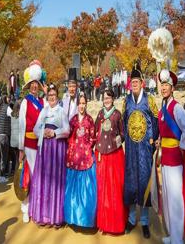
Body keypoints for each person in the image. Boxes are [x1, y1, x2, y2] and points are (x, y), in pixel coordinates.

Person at [157, 69, 185, 244]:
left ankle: (178, 239)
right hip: (165, 158)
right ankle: (172, 235)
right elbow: (164, 133)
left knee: (175, 199)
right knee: (167, 197)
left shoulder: (177, 108)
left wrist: (181, 147)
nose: (164, 87)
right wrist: (160, 142)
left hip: (174, 159)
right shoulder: (163, 107)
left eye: (166, 85)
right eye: (162, 85)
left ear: (172, 88)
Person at [123, 61, 159, 239]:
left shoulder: (149, 100)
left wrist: (153, 141)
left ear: (142, 83)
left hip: (145, 148)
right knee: (130, 182)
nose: (134, 85)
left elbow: (156, 121)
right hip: (130, 148)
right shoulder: (126, 100)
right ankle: (131, 219)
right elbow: (123, 122)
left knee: (144, 183)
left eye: (137, 82)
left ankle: (144, 221)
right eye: (132, 82)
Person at [30, 84, 70, 226]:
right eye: (50, 95)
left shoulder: (61, 111)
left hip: (56, 148)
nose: (52, 97)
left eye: (54, 95)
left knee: (55, 180)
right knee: (44, 180)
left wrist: (54, 133)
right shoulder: (44, 111)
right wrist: (43, 132)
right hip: (45, 148)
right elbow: (35, 128)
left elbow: (67, 130)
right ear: (47, 97)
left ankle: (55, 215)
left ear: (57, 97)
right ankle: (44, 215)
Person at [95, 88, 127, 234]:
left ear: (113, 99)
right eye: (104, 98)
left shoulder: (117, 114)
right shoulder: (100, 114)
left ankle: (116, 224)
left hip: (115, 155)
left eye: (108, 97)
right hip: (102, 155)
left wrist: (116, 142)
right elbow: (96, 131)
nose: (106, 100)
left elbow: (123, 133)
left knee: (115, 188)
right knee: (103, 189)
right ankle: (103, 223)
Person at [18, 60, 46, 223]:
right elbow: (22, 126)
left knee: (39, 176)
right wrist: (21, 149)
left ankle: (36, 206)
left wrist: (45, 88)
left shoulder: (43, 102)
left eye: (37, 84)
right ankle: (25, 206)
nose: (34, 87)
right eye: (32, 85)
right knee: (28, 175)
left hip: (41, 144)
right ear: (29, 87)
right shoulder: (25, 102)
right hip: (28, 144)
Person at [64, 93, 97, 228]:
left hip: (86, 157)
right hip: (73, 158)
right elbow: (68, 136)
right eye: (80, 103)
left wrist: (87, 147)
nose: (82, 106)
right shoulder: (72, 121)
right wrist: (73, 148)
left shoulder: (90, 120)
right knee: (72, 190)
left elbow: (93, 137)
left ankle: (85, 218)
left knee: (86, 189)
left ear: (86, 104)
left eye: (84, 103)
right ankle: (72, 217)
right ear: (77, 105)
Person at [0, 95, 11, 183]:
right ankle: (1, 176)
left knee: (0, 155)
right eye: (8, 98)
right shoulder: (7, 108)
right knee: (4, 157)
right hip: (4, 135)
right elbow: (13, 115)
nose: (9, 99)